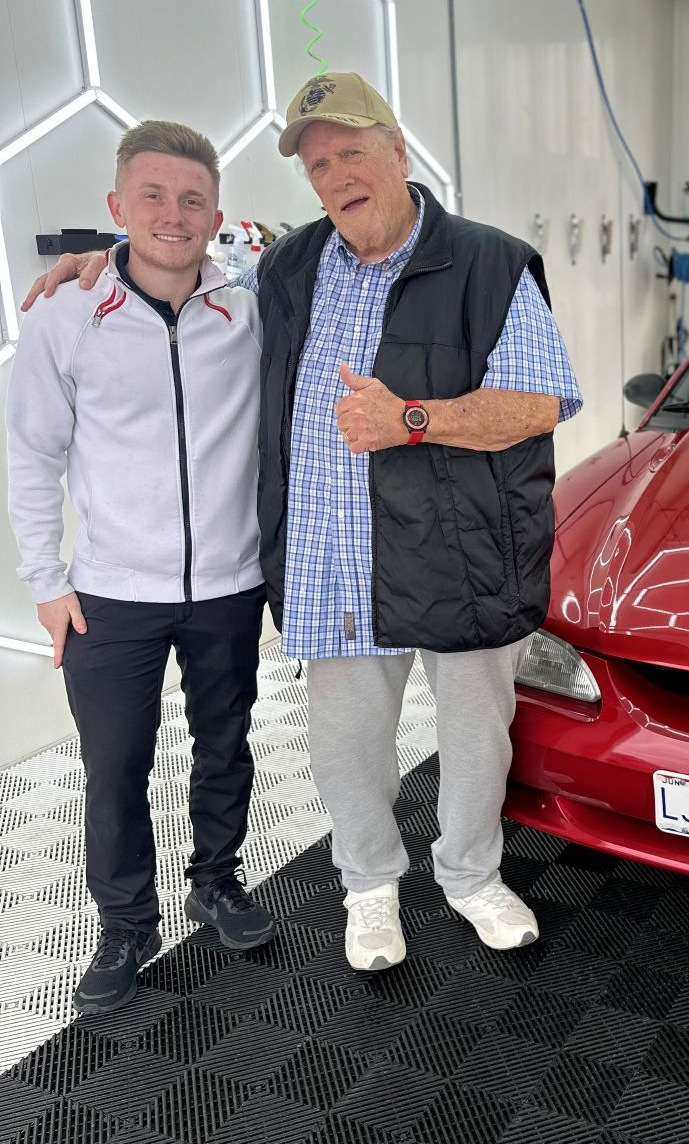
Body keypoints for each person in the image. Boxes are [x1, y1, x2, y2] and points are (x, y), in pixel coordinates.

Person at [31, 73, 582, 973]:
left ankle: (471, 874)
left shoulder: (490, 262)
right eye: (319, 163)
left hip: (465, 557)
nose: (337, 175)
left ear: (399, 152)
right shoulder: (285, 268)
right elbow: (176, 258)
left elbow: (538, 402)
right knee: (346, 746)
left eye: (353, 152)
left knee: (477, 733)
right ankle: (369, 886)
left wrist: (411, 418)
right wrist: (92, 257)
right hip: (333, 559)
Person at [7, 122, 276, 1015]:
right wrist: (46, 583)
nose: (174, 214)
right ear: (117, 208)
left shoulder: (249, 309)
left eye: (192, 199)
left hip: (229, 586)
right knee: (114, 765)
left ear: (217, 216)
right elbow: (30, 455)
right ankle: (125, 923)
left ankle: (217, 878)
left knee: (226, 744)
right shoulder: (63, 314)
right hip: (112, 593)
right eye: (153, 197)